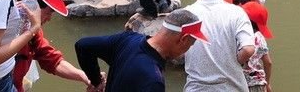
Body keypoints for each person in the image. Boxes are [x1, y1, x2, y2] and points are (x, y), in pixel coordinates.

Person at [75, 9, 207, 92]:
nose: (186, 51)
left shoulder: (127, 39)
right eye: (190, 45)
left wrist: (96, 81)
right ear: (183, 39)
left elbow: (83, 45)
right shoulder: (153, 80)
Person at [183, 0, 255, 92]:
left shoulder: (185, 14)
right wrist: (236, 61)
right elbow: (248, 49)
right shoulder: (237, 12)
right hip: (233, 87)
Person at [11, 0, 89, 92]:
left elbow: (52, 60)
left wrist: (84, 77)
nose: (49, 19)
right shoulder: (5, 30)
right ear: (31, 6)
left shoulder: (33, 33)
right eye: (48, 13)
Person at [239, 1, 273, 92]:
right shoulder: (259, 37)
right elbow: (268, 63)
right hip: (257, 83)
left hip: (237, 82)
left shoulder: (237, 35)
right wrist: (268, 83)